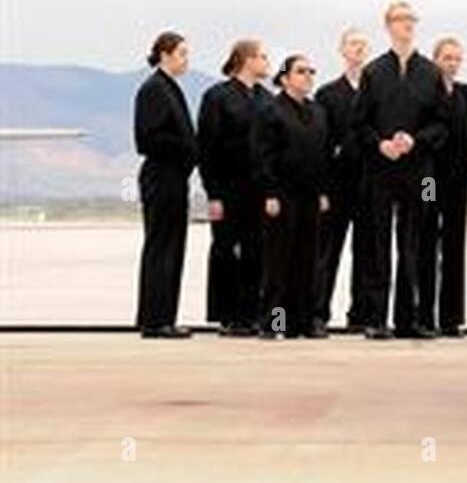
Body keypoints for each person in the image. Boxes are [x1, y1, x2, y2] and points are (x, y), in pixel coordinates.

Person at [352, 0, 449, 340]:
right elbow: (359, 124)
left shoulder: (430, 72)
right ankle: (376, 320)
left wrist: (416, 140)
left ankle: (414, 319)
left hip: (422, 174)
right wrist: (380, 144)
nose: (408, 25)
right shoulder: (374, 72)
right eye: (401, 19)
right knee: (378, 243)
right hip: (380, 169)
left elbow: (442, 125)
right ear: (388, 25)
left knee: (418, 241)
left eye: (412, 19)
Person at [198, 39, 272, 337]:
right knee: (226, 250)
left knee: (257, 251)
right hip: (228, 188)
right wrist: (212, 193)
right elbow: (207, 148)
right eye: (263, 57)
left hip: (259, 189)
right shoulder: (217, 97)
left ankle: (251, 313)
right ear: (246, 59)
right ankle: (226, 314)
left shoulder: (267, 99)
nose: (267, 63)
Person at [256, 54, 329, 339]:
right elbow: (262, 156)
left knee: (307, 260)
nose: (308, 76)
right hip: (282, 196)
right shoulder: (271, 111)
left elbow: (323, 155)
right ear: (285, 78)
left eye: (311, 71)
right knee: (279, 263)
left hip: (310, 196)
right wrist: (270, 192)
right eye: (301, 71)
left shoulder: (318, 111)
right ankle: (275, 322)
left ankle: (304, 322)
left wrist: (323, 191)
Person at [133, 31, 197, 339]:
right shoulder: (154, 89)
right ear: (165, 54)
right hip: (162, 176)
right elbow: (147, 138)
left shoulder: (170, 88)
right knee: (161, 247)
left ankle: (164, 316)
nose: (186, 59)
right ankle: (154, 319)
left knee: (173, 248)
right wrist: (187, 146)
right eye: (182, 53)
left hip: (174, 177)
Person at [422, 38, 467, 337]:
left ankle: (450, 317)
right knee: (424, 239)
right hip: (429, 179)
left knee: (453, 245)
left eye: (456, 59)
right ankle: (424, 315)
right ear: (435, 59)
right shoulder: (423, 92)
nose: (452, 63)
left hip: (457, 178)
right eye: (447, 58)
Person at [313, 28, 371, 335]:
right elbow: (320, 144)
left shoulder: (377, 90)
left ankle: (361, 315)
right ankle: (317, 313)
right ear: (342, 49)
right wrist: (321, 188)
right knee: (326, 252)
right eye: (353, 44)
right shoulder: (327, 94)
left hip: (369, 185)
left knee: (366, 253)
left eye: (363, 44)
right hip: (336, 186)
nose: (358, 49)